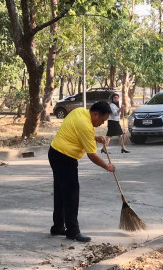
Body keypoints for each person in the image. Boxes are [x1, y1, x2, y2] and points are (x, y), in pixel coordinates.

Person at [48, 101, 116, 243]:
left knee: (61, 192)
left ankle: (58, 227)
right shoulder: (86, 126)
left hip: (55, 152)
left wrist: (96, 138)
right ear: (95, 114)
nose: (102, 124)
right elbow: (92, 155)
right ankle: (73, 231)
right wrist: (107, 166)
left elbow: (77, 132)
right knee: (71, 194)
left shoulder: (79, 112)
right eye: (102, 120)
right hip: (65, 158)